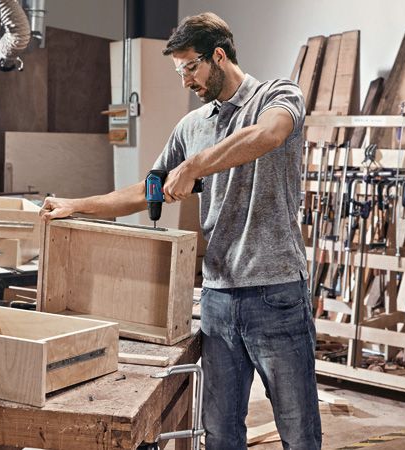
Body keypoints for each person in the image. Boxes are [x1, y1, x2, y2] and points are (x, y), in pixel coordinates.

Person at [39, 12, 321, 450]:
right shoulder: (192, 126)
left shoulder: (276, 95)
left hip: (276, 290)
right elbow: (148, 189)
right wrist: (76, 205)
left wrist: (194, 165)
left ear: (219, 56)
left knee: (298, 431)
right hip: (218, 297)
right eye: (179, 70)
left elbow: (270, 134)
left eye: (190, 67)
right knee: (221, 431)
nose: (185, 80)